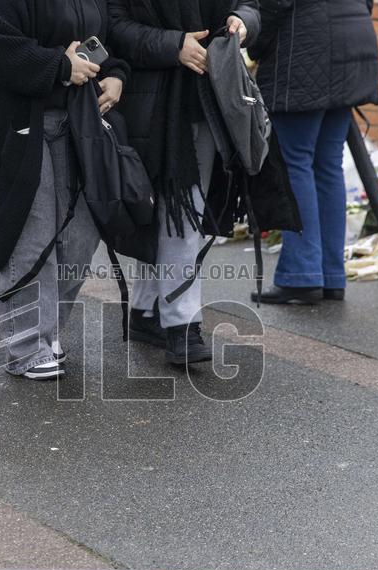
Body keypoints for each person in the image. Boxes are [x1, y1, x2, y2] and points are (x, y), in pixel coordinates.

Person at [0, 0, 129, 380]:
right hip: (22, 125)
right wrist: (60, 66)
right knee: (32, 231)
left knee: (79, 234)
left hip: (77, 122)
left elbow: (102, 42)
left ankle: (47, 331)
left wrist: (115, 74)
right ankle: (27, 346)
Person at [108, 0, 260, 365]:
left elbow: (251, 5)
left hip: (210, 98)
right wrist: (173, 45)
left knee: (180, 213)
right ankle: (174, 321)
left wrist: (242, 21)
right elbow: (112, 24)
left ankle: (159, 315)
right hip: (149, 101)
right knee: (167, 212)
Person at [249, 0, 378, 305]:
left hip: (307, 49)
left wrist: (254, 42)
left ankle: (302, 275)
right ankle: (331, 274)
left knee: (295, 161)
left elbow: (271, 5)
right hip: (353, 42)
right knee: (327, 163)